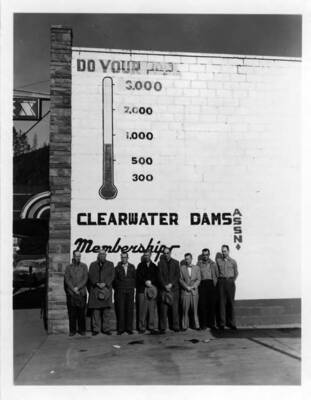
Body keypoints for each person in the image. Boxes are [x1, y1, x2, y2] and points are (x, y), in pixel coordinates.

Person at [88, 249, 115, 336]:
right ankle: (96, 329)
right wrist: (96, 283)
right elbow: (90, 275)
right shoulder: (92, 264)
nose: (102, 256)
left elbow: (112, 275)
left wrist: (105, 283)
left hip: (106, 290)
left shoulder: (110, 264)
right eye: (101, 254)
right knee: (96, 311)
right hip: (95, 289)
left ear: (106, 255)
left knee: (106, 311)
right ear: (98, 255)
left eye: (104, 254)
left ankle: (106, 329)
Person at [64, 250, 88, 336]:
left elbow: (85, 279)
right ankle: (72, 331)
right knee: (72, 313)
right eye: (77, 256)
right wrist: (73, 289)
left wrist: (78, 287)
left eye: (79, 256)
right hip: (72, 293)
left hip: (81, 293)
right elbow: (67, 279)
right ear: (73, 257)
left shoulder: (84, 266)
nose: (78, 258)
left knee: (81, 313)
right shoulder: (68, 267)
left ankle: (82, 330)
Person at [157, 247, 180, 333]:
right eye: (165, 253)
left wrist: (171, 284)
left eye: (168, 253)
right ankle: (163, 327)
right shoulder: (160, 263)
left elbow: (177, 275)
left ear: (170, 253)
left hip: (174, 289)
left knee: (175, 309)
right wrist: (165, 285)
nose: (166, 255)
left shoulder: (176, 262)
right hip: (164, 289)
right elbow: (159, 276)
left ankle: (175, 326)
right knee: (163, 310)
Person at [216, 245, 239, 330]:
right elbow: (217, 272)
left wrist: (232, 280)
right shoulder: (219, 261)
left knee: (231, 303)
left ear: (228, 251)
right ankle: (222, 323)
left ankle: (232, 323)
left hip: (230, 282)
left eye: (225, 251)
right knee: (222, 303)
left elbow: (236, 272)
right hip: (221, 282)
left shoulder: (233, 261)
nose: (223, 253)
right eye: (222, 251)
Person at [136, 249, 158, 334]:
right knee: (142, 309)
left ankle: (151, 326)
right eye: (145, 255)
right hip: (142, 289)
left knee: (151, 309)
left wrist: (151, 282)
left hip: (152, 289)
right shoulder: (140, 265)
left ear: (150, 255)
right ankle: (142, 327)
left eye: (148, 255)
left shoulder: (154, 266)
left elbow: (156, 277)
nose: (146, 256)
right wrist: (145, 281)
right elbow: (138, 276)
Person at [114, 252, 136, 335]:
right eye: (122, 257)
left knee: (129, 310)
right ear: (121, 258)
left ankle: (129, 328)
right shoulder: (117, 268)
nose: (124, 259)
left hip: (130, 291)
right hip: (120, 292)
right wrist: (119, 287)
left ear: (128, 258)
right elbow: (114, 280)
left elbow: (135, 278)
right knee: (121, 310)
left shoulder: (132, 267)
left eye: (125, 257)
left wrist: (131, 286)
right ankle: (121, 329)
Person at [197, 248, 219, 330]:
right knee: (202, 305)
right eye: (204, 255)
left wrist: (214, 285)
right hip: (202, 285)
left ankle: (212, 324)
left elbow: (216, 275)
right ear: (202, 255)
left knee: (212, 305)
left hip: (211, 285)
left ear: (209, 255)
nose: (205, 256)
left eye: (207, 255)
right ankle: (203, 324)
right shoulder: (199, 264)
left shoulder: (213, 264)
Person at [179, 253, 201, 331]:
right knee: (185, 309)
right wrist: (186, 287)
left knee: (195, 309)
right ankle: (185, 326)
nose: (187, 260)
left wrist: (194, 286)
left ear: (191, 259)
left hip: (194, 291)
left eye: (188, 259)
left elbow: (199, 279)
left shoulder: (197, 268)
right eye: (186, 259)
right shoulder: (182, 268)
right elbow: (180, 280)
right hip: (185, 291)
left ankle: (196, 325)